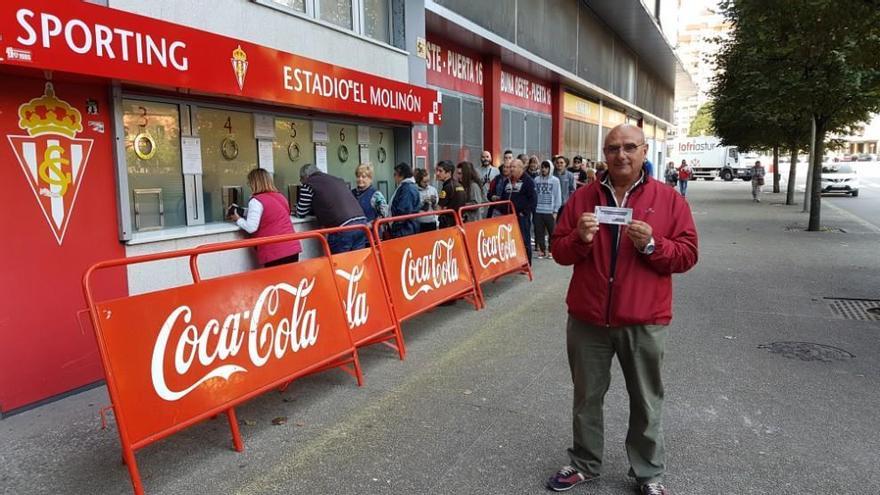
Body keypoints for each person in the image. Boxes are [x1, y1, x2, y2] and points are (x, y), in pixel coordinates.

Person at [547, 124, 698, 495]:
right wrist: (579, 240)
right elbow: (559, 250)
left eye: (630, 147)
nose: (621, 155)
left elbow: (688, 254)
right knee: (586, 396)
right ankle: (584, 462)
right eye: (613, 148)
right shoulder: (583, 198)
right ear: (604, 154)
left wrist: (652, 245)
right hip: (588, 318)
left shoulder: (669, 200)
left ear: (644, 151)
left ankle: (648, 474)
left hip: (644, 319)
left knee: (646, 399)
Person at [230, 168, 303, 267]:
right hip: (292, 248)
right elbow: (270, 213)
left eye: (249, 182)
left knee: (275, 281)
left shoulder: (256, 201)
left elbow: (251, 227)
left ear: (254, 183)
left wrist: (238, 219)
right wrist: (243, 211)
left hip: (275, 251)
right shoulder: (280, 197)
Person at [296, 163, 368, 254]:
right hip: (361, 224)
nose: (300, 181)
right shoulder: (336, 180)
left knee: (339, 265)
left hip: (343, 228)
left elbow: (301, 212)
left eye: (301, 178)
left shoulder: (309, 183)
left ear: (305, 176)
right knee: (357, 264)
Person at [501, 158, 537, 264]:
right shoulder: (506, 181)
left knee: (524, 239)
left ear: (521, 168)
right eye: (510, 167)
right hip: (508, 216)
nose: (511, 169)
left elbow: (533, 199)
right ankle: (515, 262)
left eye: (513, 167)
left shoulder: (528, 181)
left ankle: (526, 263)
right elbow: (503, 197)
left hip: (521, 217)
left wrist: (525, 213)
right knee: (510, 240)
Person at [533, 160, 561, 259]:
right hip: (538, 210)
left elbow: (558, 195)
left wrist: (556, 210)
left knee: (552, 232)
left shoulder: (555, 180)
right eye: (542, 167)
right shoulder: (536, 180)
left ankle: (551, 251)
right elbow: (534, 195)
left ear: (550, 168)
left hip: (550, 211)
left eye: (546, 167)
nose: (544, 169)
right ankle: (541, 250)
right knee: (539, 232)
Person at [389, 162, 421, 237]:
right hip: (408, 227)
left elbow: (404, 210)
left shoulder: (407, 189)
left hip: (404, 230)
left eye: (395, 174)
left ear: (401, 175)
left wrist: (394, 227)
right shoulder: (409, 186)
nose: (394, 177)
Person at [435, 160, 467, 228]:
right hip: (459, 223)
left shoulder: (447, 187)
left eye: (440, 171)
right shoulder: (459, 185)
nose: (437, 173)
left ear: (449, 173)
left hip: (447, 225)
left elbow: (438, 211)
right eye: (437, 170)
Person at [414, 168, 439, 232]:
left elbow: (436, 209)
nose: (427, 184)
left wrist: (434, 202)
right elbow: (412, 208)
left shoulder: (433, 190)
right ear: (419, 181)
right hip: (419, 223)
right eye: (424, 182)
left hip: (432, 222)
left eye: (428, 181)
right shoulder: (414, 191)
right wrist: (422, 203)